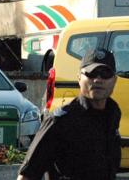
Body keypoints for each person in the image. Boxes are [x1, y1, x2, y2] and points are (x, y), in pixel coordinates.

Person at [17, 49, 121, 180]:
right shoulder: (61, 121)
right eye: (91, 73)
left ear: (114, 80)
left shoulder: (112, 114)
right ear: (79, 78)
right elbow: (27, 175)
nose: (97, 80)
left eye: (105, 74)